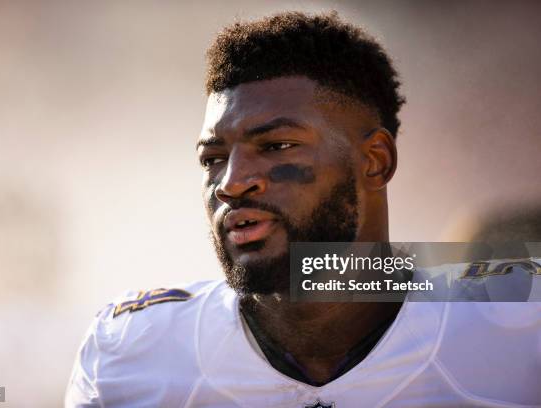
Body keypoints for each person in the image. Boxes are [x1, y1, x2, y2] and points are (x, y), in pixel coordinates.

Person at [65, 12, 541, 407]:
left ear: (374, 162)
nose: (231, 183)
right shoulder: (130, 354)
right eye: (212, 159)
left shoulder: (519, 334)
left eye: (277, 146)